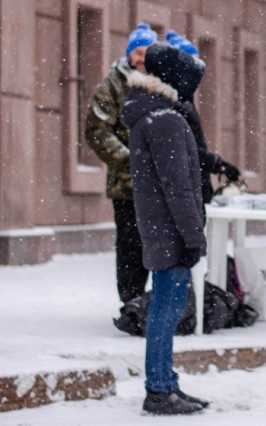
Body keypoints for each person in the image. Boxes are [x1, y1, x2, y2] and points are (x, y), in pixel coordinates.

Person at [121, 42, 208, 415]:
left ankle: (165, 382)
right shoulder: (166, 120)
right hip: (171, 231)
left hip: (161, 227)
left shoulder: (155, 115)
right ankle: (158, 389)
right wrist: (193, 237)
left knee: (166, 308)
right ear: (176, 80)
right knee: (165, 310)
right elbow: (179, 187)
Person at [84, 22, 157, 330]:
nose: (142, 58)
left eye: (147, 52)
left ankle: (150, 303)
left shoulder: (158, 84)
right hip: (126, 186)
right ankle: (131, 303)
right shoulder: (112, 86)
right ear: (129, 54)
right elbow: (96, 130)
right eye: (138, 52)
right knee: (130, 245)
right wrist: (130, 160)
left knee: (155, 245)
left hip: (156, 188)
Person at [165, 31, 242, 203]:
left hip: (194, 187)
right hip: (184, 191)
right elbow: (183, 149)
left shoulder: (184, 99)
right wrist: (216, 163)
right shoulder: (173, 103)